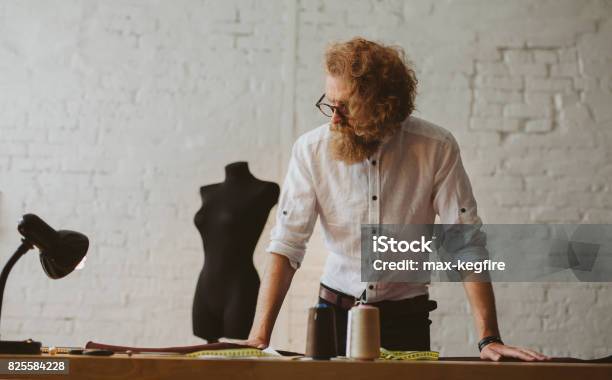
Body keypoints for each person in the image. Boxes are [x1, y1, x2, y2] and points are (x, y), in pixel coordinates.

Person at [246, 37, 547, 361]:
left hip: (408, 321)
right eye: (330, 104)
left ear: (383, 107)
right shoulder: (310, 150)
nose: (333, 119)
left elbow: (466, 243)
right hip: (333, 316)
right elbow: (287, 244)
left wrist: (489, 338)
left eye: (345, 108)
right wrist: (258, 338)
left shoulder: (436, 147)